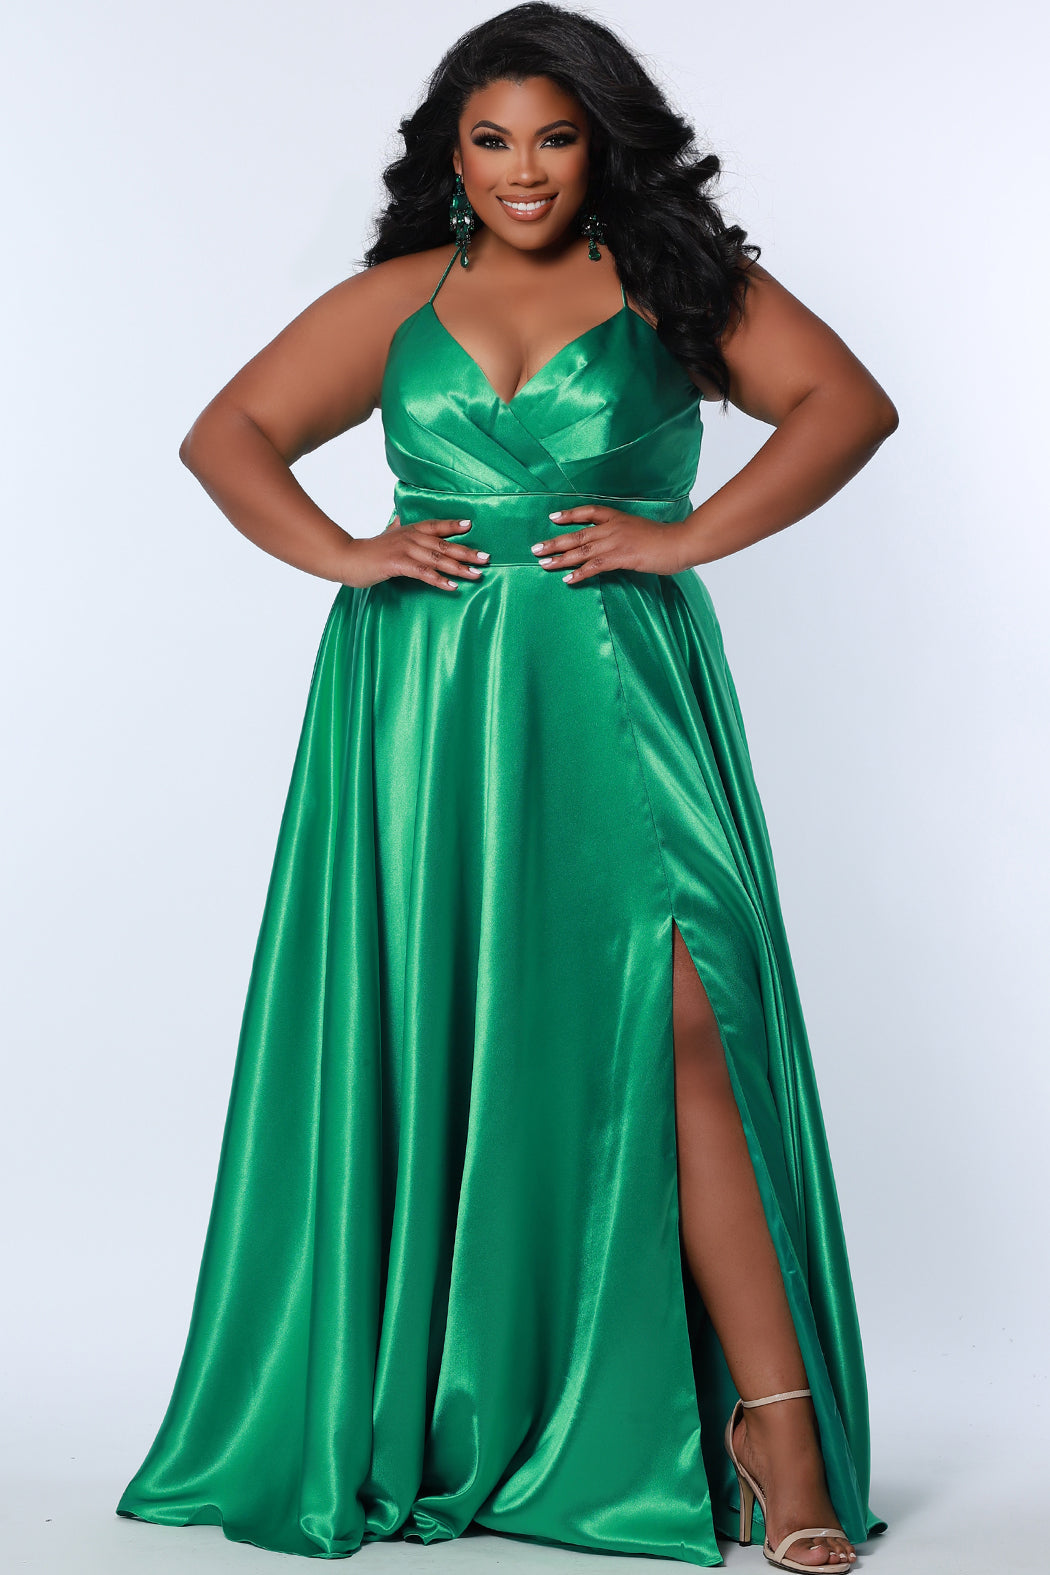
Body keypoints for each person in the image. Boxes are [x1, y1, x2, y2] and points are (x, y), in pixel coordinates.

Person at [116, 4, 896, 1569]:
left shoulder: (676, 283)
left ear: (602, 144)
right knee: (449, 1024)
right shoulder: (400, 297)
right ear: (451, 153)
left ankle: (780, 1430)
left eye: (553, 136)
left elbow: (846, 407)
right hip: (424, 709)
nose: (523, 169)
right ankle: (455, 1398)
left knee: (686, 1017)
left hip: (618, 694)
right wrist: (346, 553)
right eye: (490, 139)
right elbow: (229, 436)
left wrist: (685, 536)